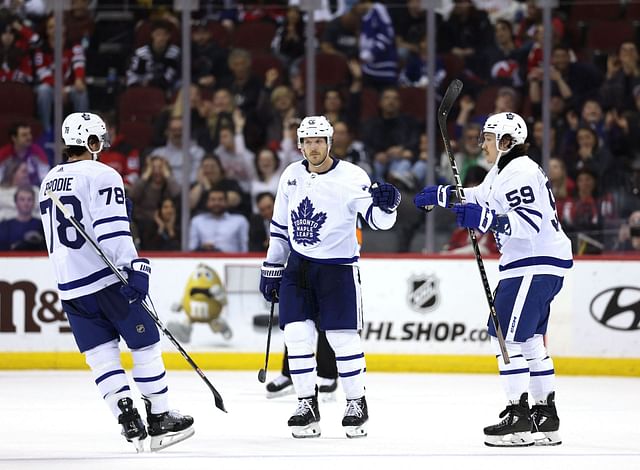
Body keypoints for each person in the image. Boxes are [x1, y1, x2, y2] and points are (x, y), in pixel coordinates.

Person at [414, 112, 572, 447]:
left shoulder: (522, 171)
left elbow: (528, 223)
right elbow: (480, 198)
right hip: (537, 264)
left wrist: (485, 219)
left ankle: (519, 418)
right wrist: (443, 196)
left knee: (504, 338)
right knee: (528, 341)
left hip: (532, 263)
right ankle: (546, 416)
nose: (481, 144)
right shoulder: (504, 171)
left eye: (487, 138)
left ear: (506, 142)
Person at [38, 112, 194, 452]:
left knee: (101, 355)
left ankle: (126, 416)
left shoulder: (48, 180)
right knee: (146, 344)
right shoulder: (103, 174)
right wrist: (134, 267)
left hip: (70, 287)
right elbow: (112, 230)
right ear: (92, 143)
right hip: (109, 280)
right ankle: (160, 417)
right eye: (99, 141)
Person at [259, 116, 400, 438]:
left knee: (341, 338)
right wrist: (272, 267)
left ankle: (356, 402)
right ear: (299, 144)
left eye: (319, 140)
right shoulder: (291, 175)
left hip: (338, 268)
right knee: (296, 336)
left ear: (330, 142)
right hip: (298, 266)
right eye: (308, 141)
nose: (313, 147)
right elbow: (280, 226)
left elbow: (378, 222)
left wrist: (388, 207)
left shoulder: (352, 177)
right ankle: (307, 404)